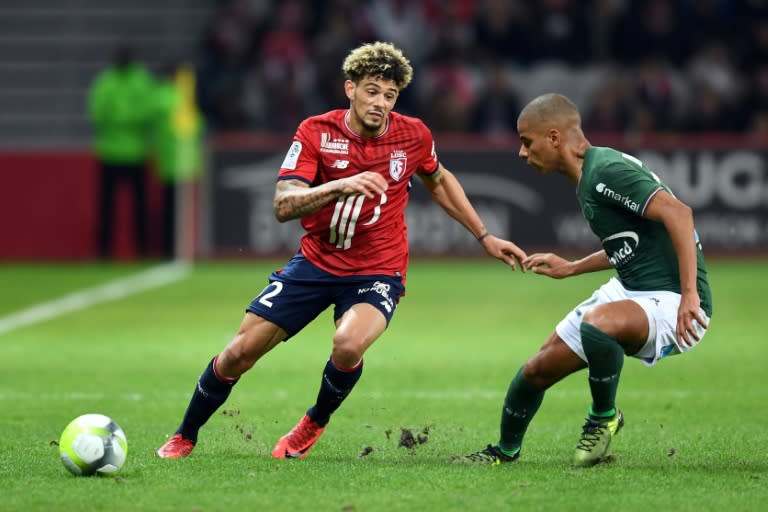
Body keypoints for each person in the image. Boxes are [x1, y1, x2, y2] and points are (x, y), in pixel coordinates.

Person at [156, 41, 528, 460]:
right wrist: (339, 185)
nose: (380, 103)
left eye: (389, 95)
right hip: (315, 262)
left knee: (348, 344)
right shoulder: (316, 131)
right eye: (372, 91)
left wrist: (484, 236)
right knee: (238, 354)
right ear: (349, 88)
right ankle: (185, 435)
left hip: (378, 269)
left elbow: (438, 179)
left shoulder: (413, 135)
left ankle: (313, 422)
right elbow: (282, 205)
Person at [454, 93, 712, 467]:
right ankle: (504, 452)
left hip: (675, 298)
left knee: (598, 325)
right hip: (632, 287)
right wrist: (572, 267)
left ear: (555, 137)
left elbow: (681, 215)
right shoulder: (590, 176)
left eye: (527, 142)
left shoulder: (606, 170)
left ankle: (604, 417)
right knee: (536, 369)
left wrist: (690, 295)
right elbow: (631, 245)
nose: (522, 153)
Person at [87, 44, 155, 260]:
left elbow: (147, 111)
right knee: (107, 208)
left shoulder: (139, 80)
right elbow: (96, 112)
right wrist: (129, 119)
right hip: (113, 153)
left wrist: (118, 119)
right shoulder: (107, 81)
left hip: (133, 152)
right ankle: (104, 252)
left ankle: (142, 250)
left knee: (139, 208)